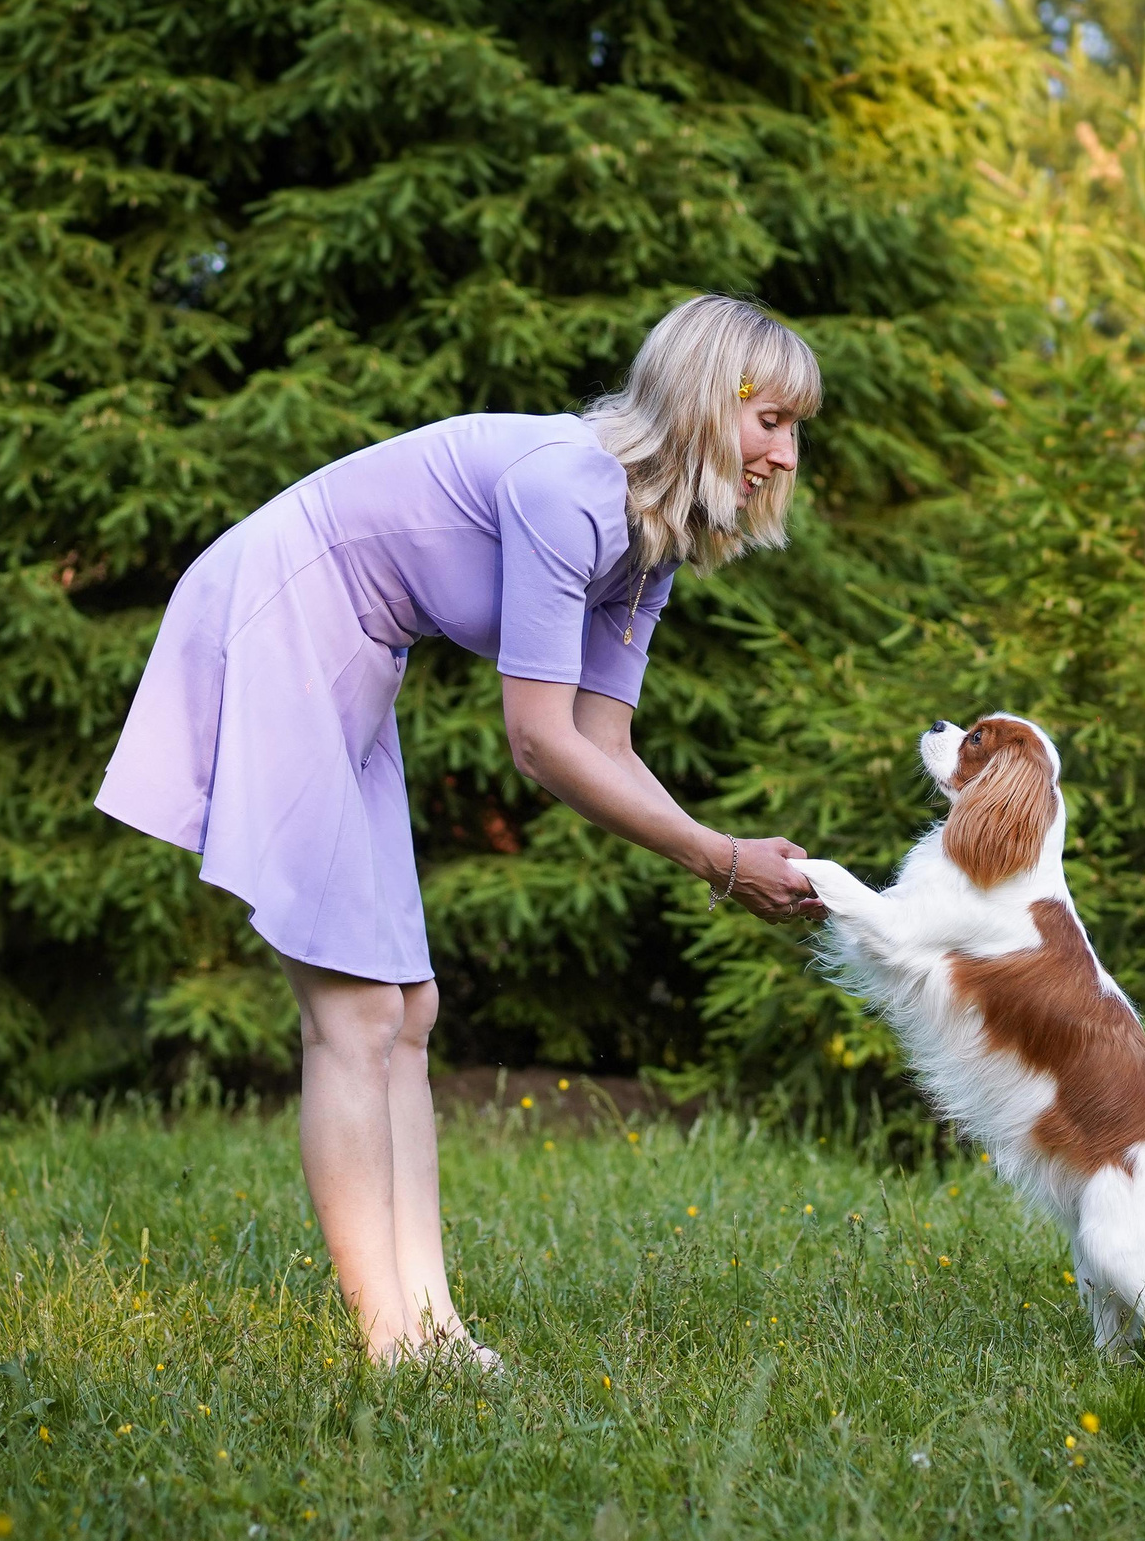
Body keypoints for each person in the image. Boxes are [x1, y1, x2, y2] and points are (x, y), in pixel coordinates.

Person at [95, 295, 826, 1364]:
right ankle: (391, 1346)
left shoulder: (651, 544)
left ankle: (433, 1329)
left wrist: (725, 863)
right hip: (286, 606)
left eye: (797, 429)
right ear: (707, 401)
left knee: (408, 1009)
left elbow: (604, 745)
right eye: (771, 421)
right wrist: (720, 862)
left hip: (354, 642)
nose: (786, 453)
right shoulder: (570, 489)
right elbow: (537, 744)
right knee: (355, 1010)